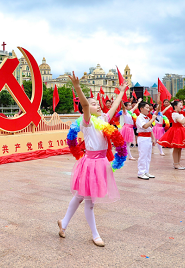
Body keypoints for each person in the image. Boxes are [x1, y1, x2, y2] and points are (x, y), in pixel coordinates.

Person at [58, 72, 128, 247]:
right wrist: (77, 87)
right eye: (94, 104)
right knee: (89, 201)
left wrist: (121, 91)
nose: (98, 105)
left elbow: (114, 106)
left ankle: (63, 223)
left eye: (98, 103)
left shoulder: (103, 119)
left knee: (81, 196)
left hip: (101, 163)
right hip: (90, 164)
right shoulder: (87, 121)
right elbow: (84, 104)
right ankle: (95, 234)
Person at [157, 100, 185, 170]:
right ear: (175, 106)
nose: (182, 107)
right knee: (176, 148)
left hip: (181, 131)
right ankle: (176, 164)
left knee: (179, 148)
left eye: (182, 105)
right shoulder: (174, 114)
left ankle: (178, 163)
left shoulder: (180, 114)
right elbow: (182, 122)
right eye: (180, 105)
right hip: (176, 131)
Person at [135, 102, 157, 180]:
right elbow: (145, 126)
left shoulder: (147, 118)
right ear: (141, 109)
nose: (149, 109)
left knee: (148, 156)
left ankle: (146, 171)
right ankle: (141, 172)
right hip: (142, 138)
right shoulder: (139, 118)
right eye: (147, 108)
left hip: (148, 138)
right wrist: (153, 119)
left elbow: (150, 129)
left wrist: (153, 138)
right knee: (143, 155)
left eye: (149, 107)